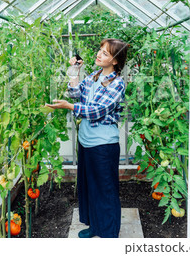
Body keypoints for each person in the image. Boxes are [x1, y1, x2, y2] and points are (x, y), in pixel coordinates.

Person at [46, 38, 128, 238]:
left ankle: (109, 234)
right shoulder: (95, 75)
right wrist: (74, 72)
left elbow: (97, 110)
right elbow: (75, 93)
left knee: (105, 190)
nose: (99, 54)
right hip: (86, 141)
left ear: (116, 61)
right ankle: (95, 226)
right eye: (100, 50)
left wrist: (70, 107)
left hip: (103, 145)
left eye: (106, 53)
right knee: (90, 186)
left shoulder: (117, 84)